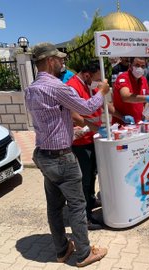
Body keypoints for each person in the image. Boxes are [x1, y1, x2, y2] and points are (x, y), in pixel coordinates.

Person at [25, 42, 108, 267]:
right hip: (62, 158)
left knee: (54, 207)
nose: (63, 63)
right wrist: (102, 92)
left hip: (43, 155)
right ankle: (83, 254)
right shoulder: (57, 87)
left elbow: (52, 122)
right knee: (77, 206)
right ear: (50, 61)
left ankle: (62, 250)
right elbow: (87, 107)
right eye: (60, 59)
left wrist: (75, 130)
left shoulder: (31, 89)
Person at [65, 60, 105, 230]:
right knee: (84, 180)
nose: (98, 82)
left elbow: (104, 104)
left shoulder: (91, 85)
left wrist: (123, 117)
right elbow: (75, 116)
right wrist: (96, 127)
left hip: (92, 138)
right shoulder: (72, 87)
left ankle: (90, 200)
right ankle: (85, 218)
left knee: (92, 174)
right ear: (88, 74)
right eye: (96, 78)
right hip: (80, 142)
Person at [112, 57, 149, 125]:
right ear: (130, 66)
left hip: (138, 123)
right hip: (122, 125)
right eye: (137, 65)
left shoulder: (143, 80)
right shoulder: (123, 77)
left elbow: (146, 102)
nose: (140, 68)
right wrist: (147, 98)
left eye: (143, 66)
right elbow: (126, 97)